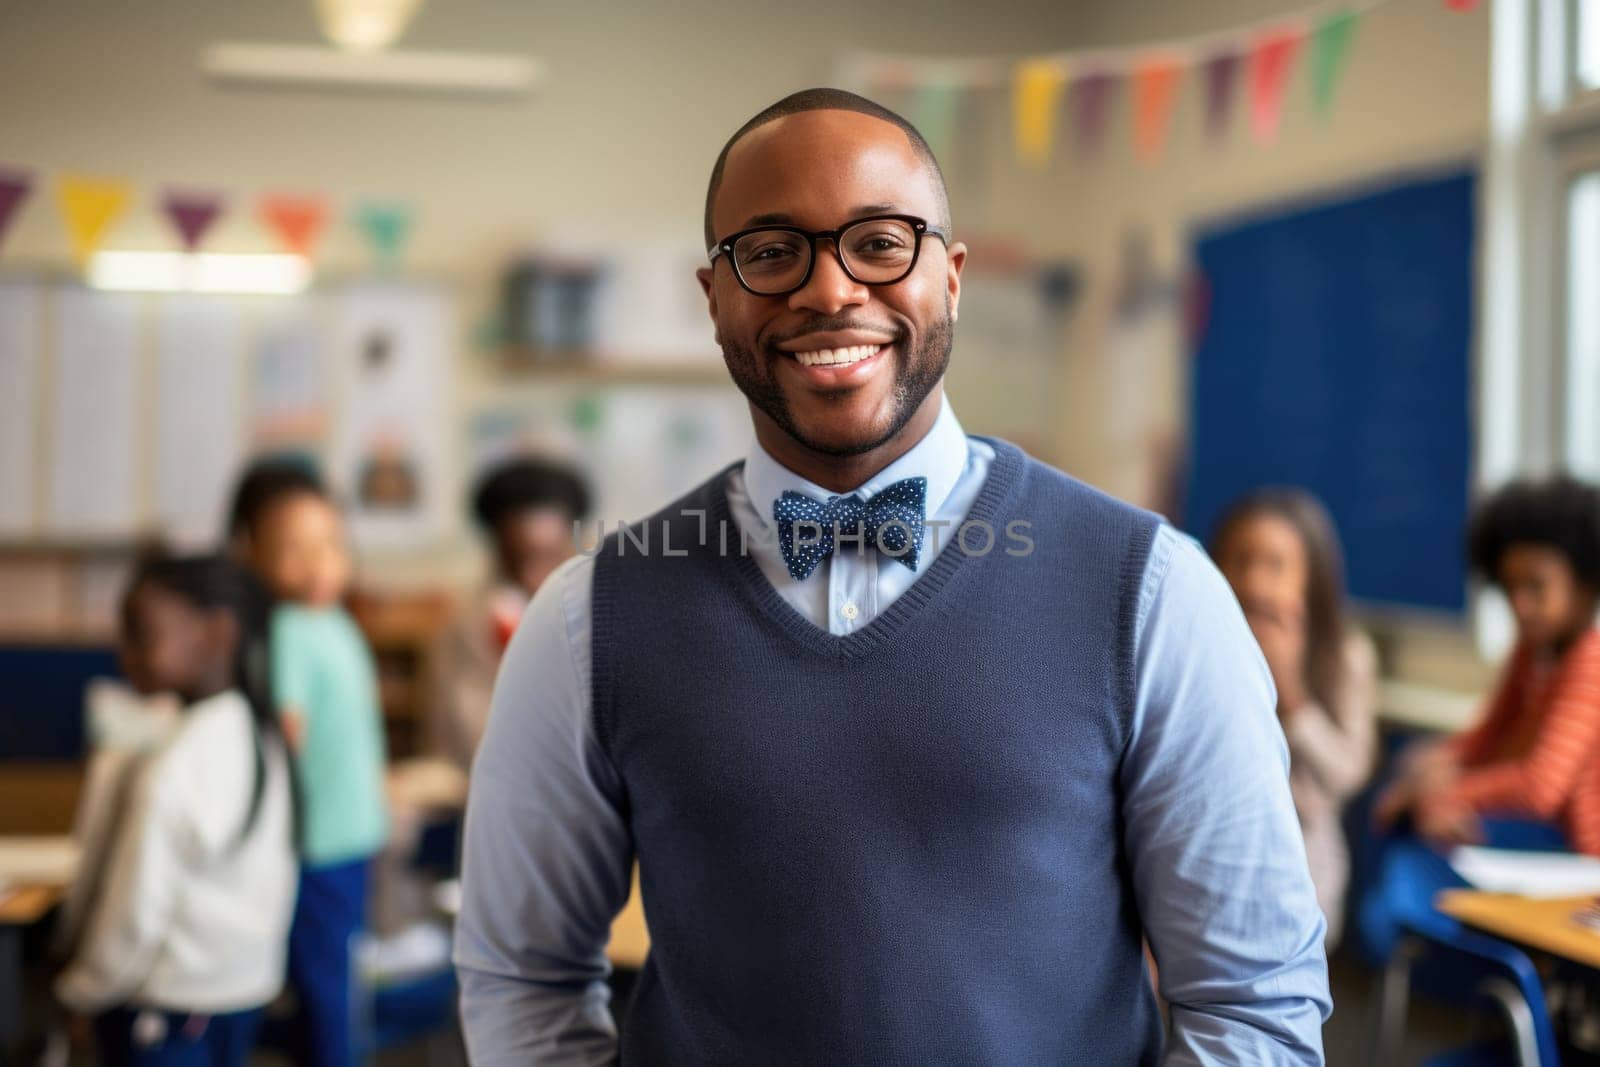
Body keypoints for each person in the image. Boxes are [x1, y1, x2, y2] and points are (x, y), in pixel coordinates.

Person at [454, 88, 1330, 1063]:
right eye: (772, 251)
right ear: (715, 299)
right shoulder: (590, 615)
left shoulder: (1153, 592)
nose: (828, 290)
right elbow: (521, 978)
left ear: (951, 277)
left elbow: (1254, 1004)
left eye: (879, 243)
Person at [55, 553, 297, 1066]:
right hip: (240, 991)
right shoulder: (262, 733)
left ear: (216, 634)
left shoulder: (176, 764)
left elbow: (133, 918)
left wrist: (80, 991)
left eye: (141, 635)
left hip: (164, 1008)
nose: (124, 655)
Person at [1361, 475, 1600, 960]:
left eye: (1536, 587)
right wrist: (1432, 764)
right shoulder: (1532, 652)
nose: (1520, 606)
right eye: (1510, 588)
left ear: (1584, 584)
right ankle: (1395, 928)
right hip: (1549, 833)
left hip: (1580, 851)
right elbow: (1488, 736)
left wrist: (1442, 792)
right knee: (1414, 794)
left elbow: (1540, 786)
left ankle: (1396, 929)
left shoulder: (1589, 660)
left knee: (1423, 826)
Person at [228, 459, 389, 1067]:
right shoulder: (291, 628)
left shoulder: (335, 621)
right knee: (329, 979)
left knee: (336, 970)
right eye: (293, 550)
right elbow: (284, 734)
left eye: (330, 544)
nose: (319, 562)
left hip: (352, 835)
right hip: (318, 844)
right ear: (252, 556)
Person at [1211, 488, 1378, 950]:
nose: (1254, 583)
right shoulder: (1204, 649)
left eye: (1274, 565)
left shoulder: (1345, 657)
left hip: (1301, 870)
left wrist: (1292, 693)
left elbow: (1347, 774)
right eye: (1240, 561)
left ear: (1311, 579)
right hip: (1213, 854)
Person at [431, 456, 591, 770]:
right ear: (497, 553)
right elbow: (473, 738)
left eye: (550, 557)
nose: (536, 577)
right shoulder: (473, 626)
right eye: (521, 560)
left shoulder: (602, 610)